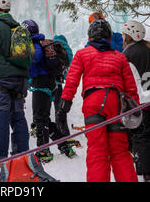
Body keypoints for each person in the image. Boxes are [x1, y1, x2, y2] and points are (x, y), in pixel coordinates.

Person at [56, 18, 139, 182]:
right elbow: (130, 88)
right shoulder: (119, 57)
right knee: (120, 151)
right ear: (108, 37)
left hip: (93, 103)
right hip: (116, 103)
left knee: (97, 151)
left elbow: (72, 80)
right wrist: (134, 113)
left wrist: (63, 107)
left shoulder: (82, 54)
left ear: (90, 37)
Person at [0, 0, 29, 163]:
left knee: (1, 114)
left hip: (2, 78)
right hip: (21, 79)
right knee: (18, 115)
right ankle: (21, 153)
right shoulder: (17, 27)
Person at [23, 21, 75, 162]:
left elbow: (37, 57)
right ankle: (63, 144)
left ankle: (43, 151)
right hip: (49, 82)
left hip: (42, 83)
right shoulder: (41, 43)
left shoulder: (35, 44)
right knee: (44, 118)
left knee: (39, 118)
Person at [122, 20, 150, 182]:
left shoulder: (128, 53)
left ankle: (146, 173)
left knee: (142, 137)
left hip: (141, 101)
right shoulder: (148, 48)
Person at [53, 34, 73, 136]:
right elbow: (68, 65)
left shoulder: (52, 45)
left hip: (49, 83)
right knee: (59, 110)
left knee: (44, 113)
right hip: (59, 84)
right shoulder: (66, 49)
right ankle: (64, 133)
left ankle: (52, 133)